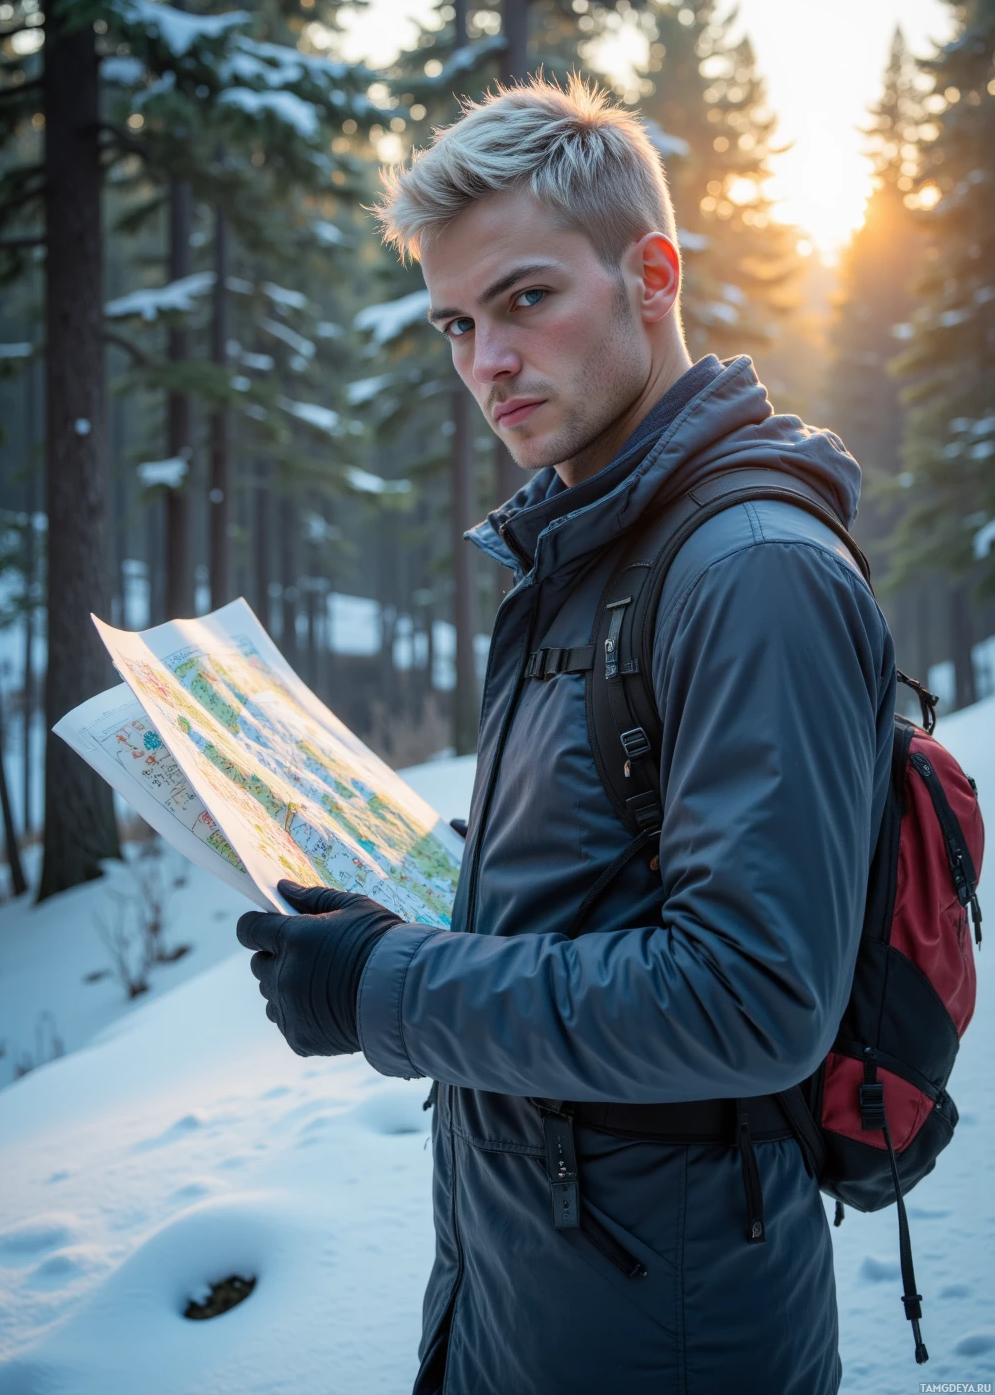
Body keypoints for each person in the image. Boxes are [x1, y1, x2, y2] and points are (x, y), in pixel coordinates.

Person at [237, 77, 896, 1394]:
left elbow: (751, 1000)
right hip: (532, 1280)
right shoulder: (590, 553)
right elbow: (603, 869)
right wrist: (402, 897)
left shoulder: (750, 571)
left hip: (673, 1321)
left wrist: (383, 989)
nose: (486, 360)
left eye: (527, 299)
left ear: (650, 275)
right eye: (456, 323)